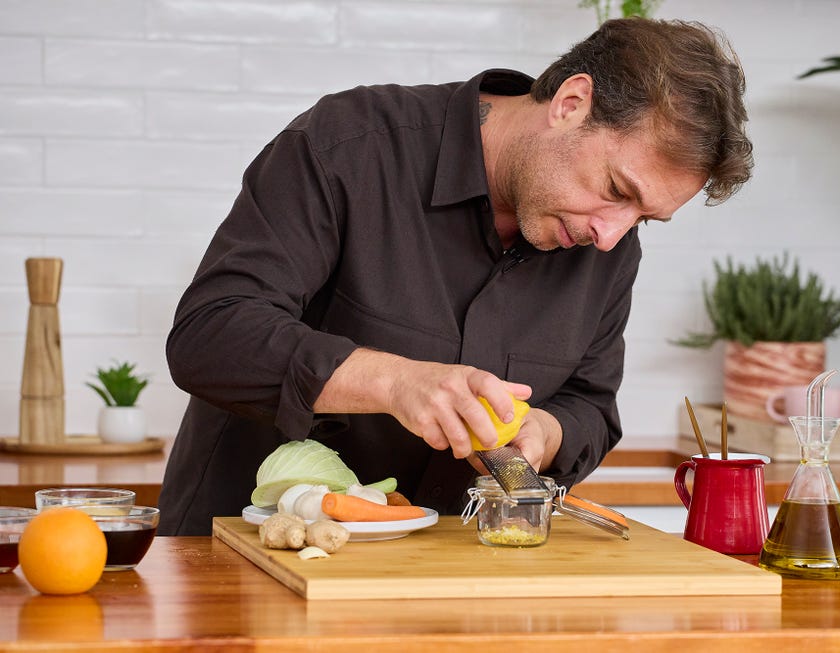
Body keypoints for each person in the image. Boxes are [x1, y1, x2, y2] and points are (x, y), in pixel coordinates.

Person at [158, 17, 753, 535]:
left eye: (645, 217)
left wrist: (545, 433)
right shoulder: (350, 145)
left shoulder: (605, 240)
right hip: (243, 560)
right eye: (618, 191)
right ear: (571, 104)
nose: (613, 235)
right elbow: (211, 335)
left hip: (441, 579)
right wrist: (394, 383)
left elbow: (591, 406)